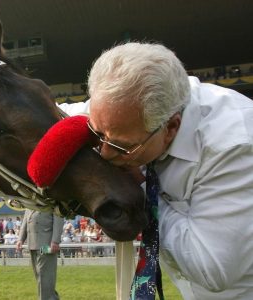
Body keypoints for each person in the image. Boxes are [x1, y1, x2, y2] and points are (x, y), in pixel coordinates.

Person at [60, 42, 253, 299]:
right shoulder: (124, 112)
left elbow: (212, 271)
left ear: (172, 127)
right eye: (97, 133)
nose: (105, 153)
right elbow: (44, 115)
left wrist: (138, 189)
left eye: (121, 146)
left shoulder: (234, 144)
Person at [17, 209, 64, 300]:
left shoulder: (51, 203)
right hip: (32, 245)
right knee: (40, 277)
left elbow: (59, 221)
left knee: (44, 276)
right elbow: (25, 223)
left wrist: (55, 241)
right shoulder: (29, 204)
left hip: (45, 245)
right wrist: (20, 239)